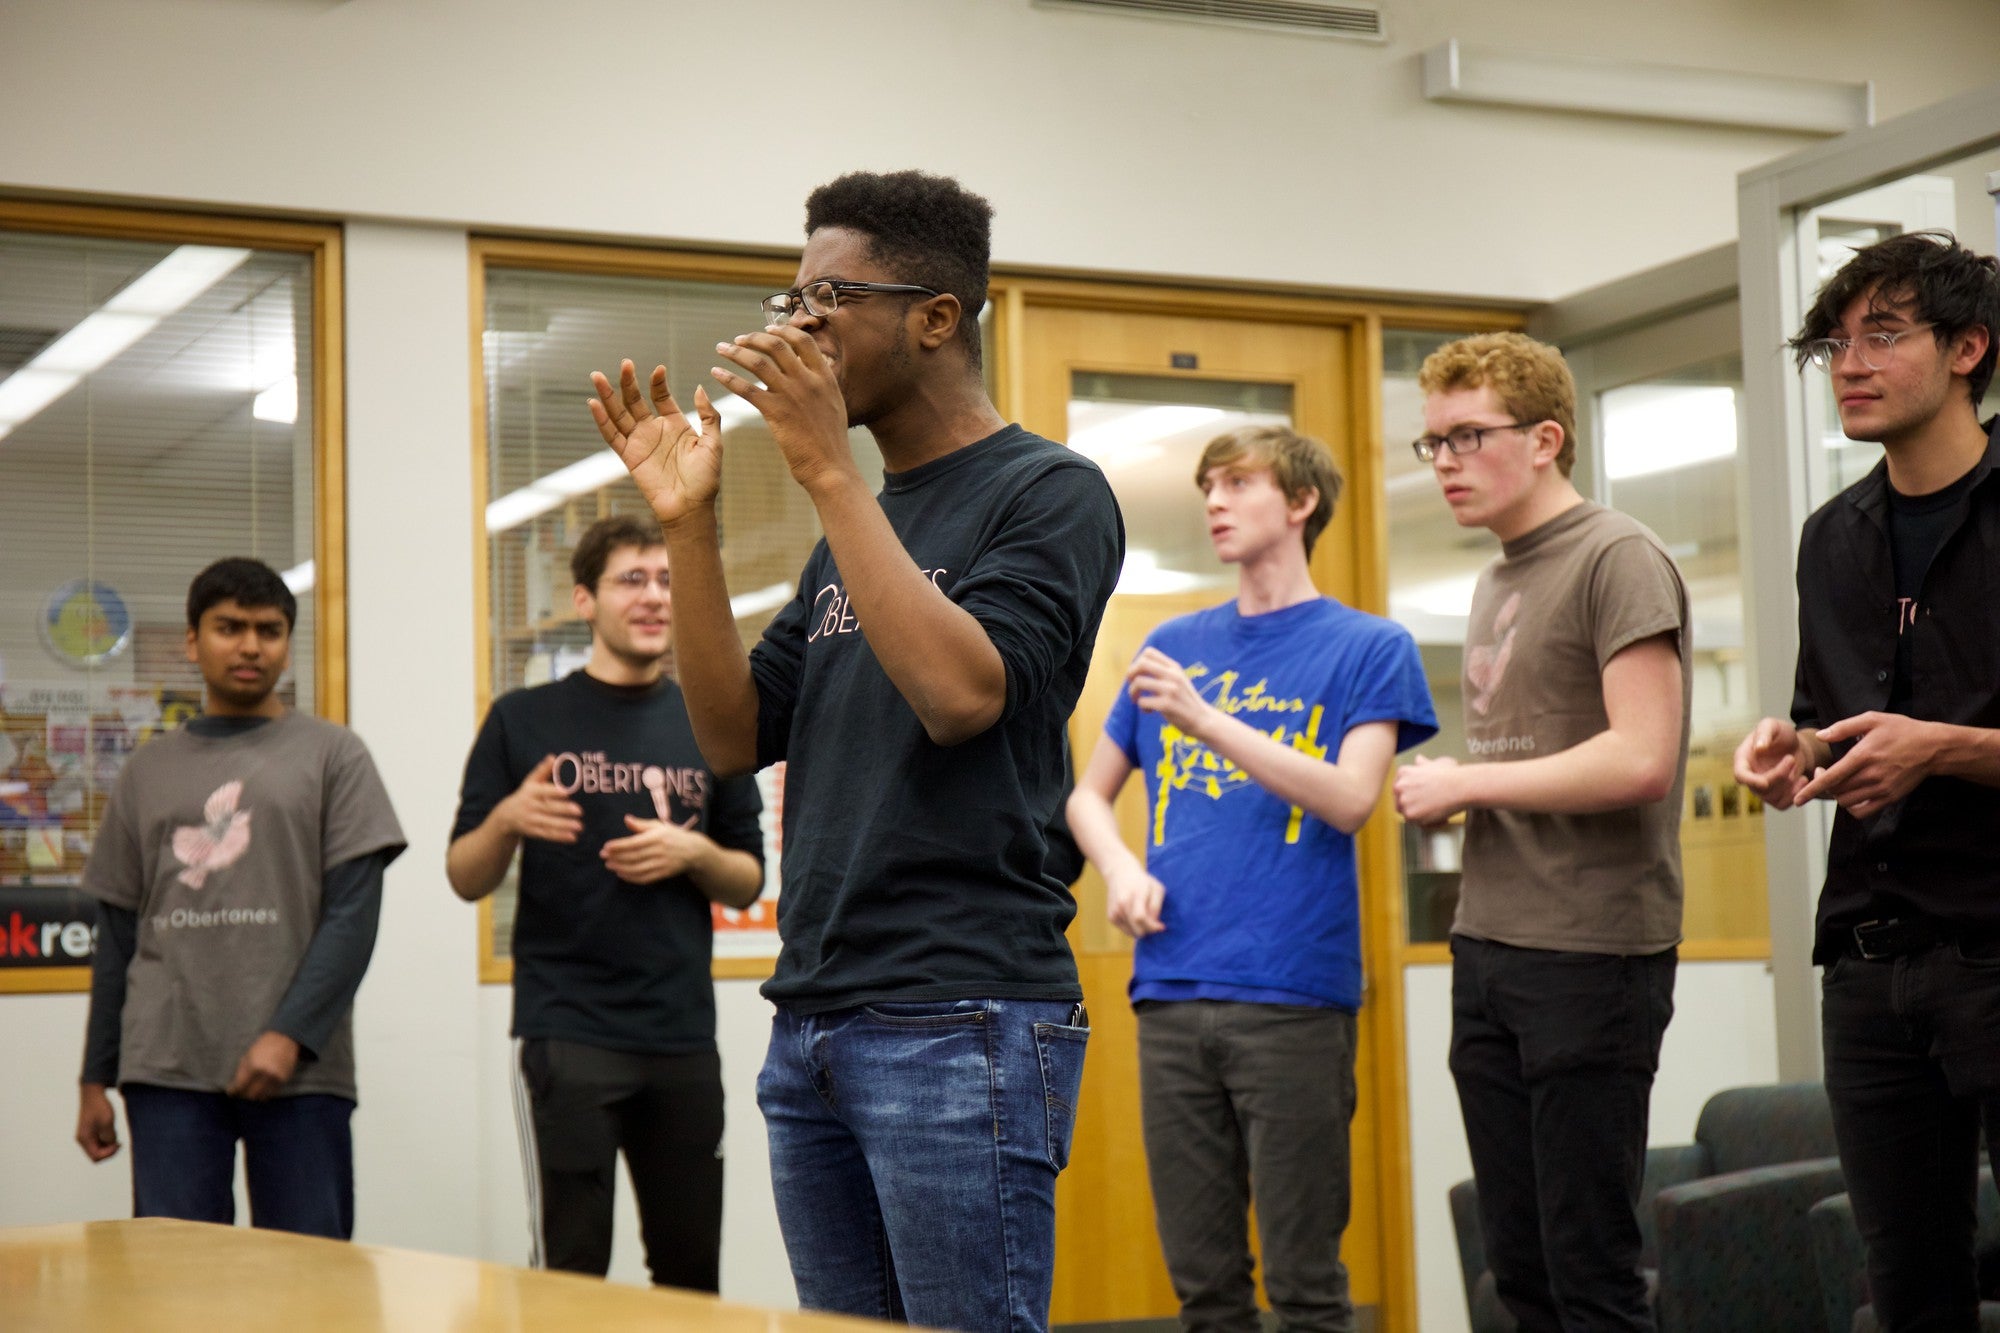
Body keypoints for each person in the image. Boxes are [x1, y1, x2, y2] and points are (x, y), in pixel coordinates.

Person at [585, 169, 1123, 1333]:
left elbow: (960, 696)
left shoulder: (1048, 493)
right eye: (788, 299)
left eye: (826, 297)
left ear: (934, 317)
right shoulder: (855, 539)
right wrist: (687, 524)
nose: (796, 329)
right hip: (816, 1019)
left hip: (960, 1014)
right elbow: (730, 735)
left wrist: (829, 468)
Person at [1067, 425, 1436, 1333]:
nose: (1215, 503)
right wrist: (1118, 865)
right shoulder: (1173, 641)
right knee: (1205, 1289)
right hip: (1170, 990)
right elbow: (1086, 798)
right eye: (1208, 487)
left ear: (1302, 503)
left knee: (1307, 1285)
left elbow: (1352, 799)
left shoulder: (1367, 646)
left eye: (1238, 483)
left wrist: (1206, 717)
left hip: (1294, 997)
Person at [1392, 332, 1690, 1332]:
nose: (1442, 463)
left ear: (1544, 438)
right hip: (1489, 945)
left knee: (1588, 1274)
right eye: (1429, 443)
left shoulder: (1617, 556)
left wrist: (1466, 783)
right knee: (1512, 1273)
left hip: (1590, 952)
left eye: (1464, 437)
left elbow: (1640, 756)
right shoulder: (1494, 578)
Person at [1733, 231, 2000, 1331]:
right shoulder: (1826, 539)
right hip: (1866, 956)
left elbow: (1914, 735)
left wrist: (1934, 746)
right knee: (1906, 1292)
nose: (1848, 362)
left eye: (1882, 334)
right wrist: (1791, 752)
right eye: (1836, 342)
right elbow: (1825, 718)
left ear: (1967, 348)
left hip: (1994, 945)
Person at [446, 515, 765, 1291]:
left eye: (667, 580)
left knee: (691, 1275)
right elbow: (463, 873)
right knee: (573, 1272)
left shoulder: (711, 718)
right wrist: (508, 820)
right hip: (569, 1031)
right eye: (633, 579)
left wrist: (695, 853)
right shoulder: (524, 720)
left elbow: (749, 877)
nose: (655, 596)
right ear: (584, 599)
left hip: (681, 1032)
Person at [74, 557, 406, 1239]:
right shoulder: (146, 770)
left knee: (310, 1281)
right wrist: (93, 1076)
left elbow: (353, 916)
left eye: (270, 629)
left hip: (301, 1071)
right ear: (192, 641)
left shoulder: (334, 755)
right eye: (229, 627)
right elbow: (117, 932)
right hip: (166, 1062)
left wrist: (290, 1035)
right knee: (176, 1282)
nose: (251, 645)